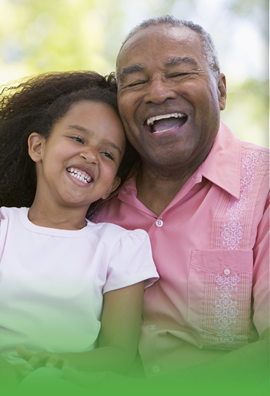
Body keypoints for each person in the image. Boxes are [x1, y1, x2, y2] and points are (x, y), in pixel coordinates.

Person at [91, 15, 269, 390]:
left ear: (220, 91)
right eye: (136, 82)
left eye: (178, 74)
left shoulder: (263, 187)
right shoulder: (94, 198)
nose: (156, 93)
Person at [0, 71, 159, 390]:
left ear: (111, 186)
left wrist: (62, 363)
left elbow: (118, 352)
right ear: (37, 147)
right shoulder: (4, 228)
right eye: (77, 138)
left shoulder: (121, 247)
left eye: (108, 153)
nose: (89, 155)